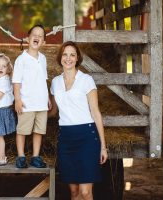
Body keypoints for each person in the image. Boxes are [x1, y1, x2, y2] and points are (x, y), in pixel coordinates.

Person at [48, 41, 108, 200]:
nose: (68, 58)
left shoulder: (86, 80)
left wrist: (103, 147)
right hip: (66, 139)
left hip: (87, 138)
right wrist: (30, 113)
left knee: (85, 193)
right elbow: (53, 111)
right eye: (65, 54)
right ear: (60, 57)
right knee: (74, 193)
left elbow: (96, 113)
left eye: (72, 55)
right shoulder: (55, 82)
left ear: (77, 58)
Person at [12, 24, 51, 168]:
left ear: (44, 43)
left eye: (41, 36)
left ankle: (35, 156)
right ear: (28, 39)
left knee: (39, 131)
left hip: (41, 103)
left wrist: (47, 98)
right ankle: (21, 156)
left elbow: (43, 80)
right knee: (22, 130)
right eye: (34, 34)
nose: (37, 37)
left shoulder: (43, 58)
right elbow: (16, 82)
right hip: (27, 103)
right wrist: (17, 99)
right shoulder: (21, 59)